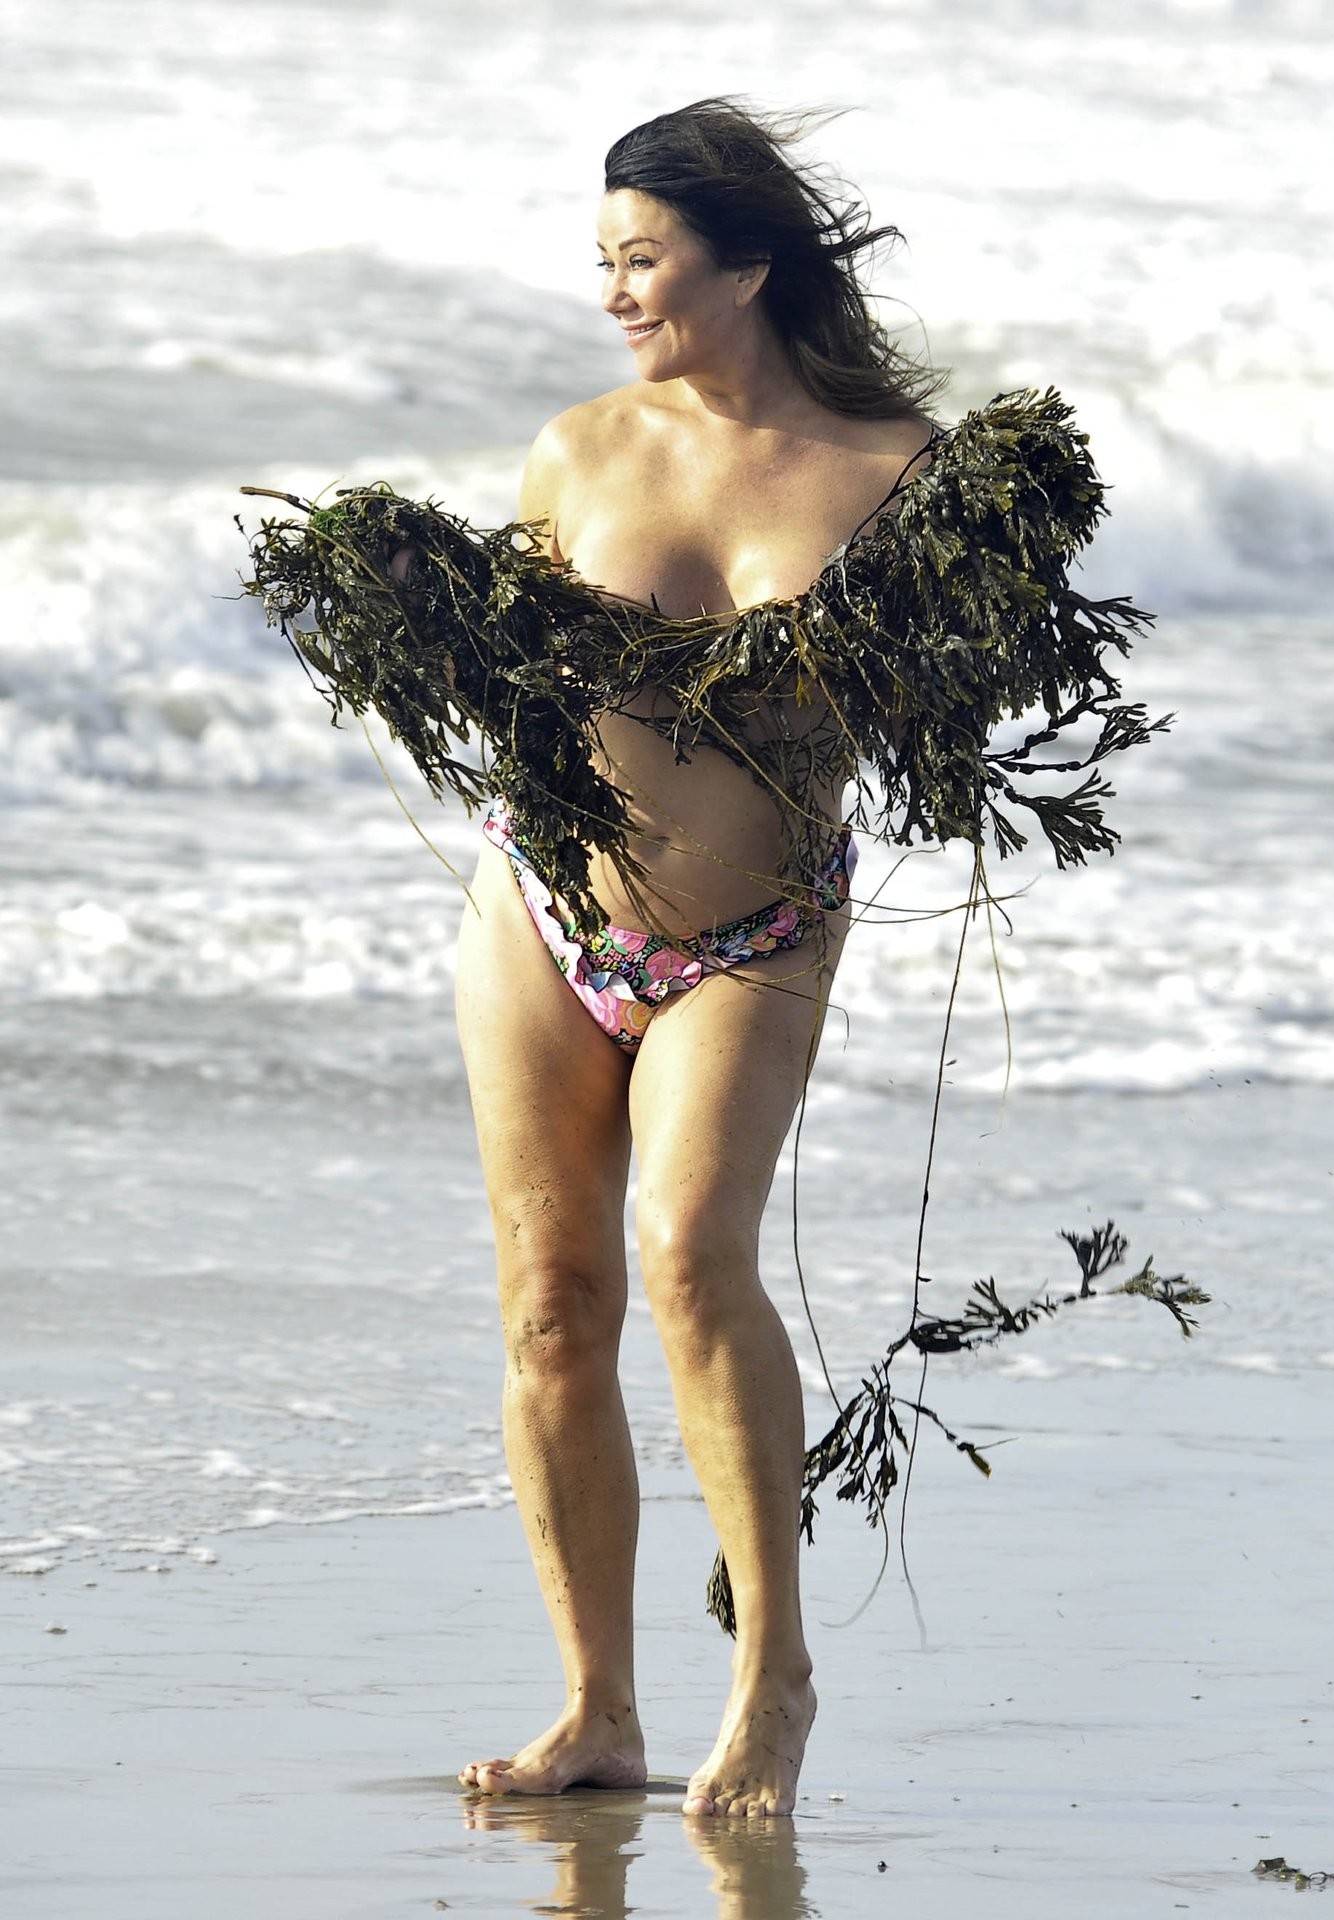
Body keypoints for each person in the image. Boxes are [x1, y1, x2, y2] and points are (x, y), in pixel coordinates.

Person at [448, 99, 944, 1819]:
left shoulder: (899, 471)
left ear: (745, 266)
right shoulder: (576, 451)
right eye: (601, 260)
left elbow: (948, 705)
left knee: (685, 1256)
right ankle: (594, 1710)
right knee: (548, 1300)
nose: (612, 292)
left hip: (754, 931)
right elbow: (515, 696)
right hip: (544, 912)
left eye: (641, 259)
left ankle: (772, 1680)